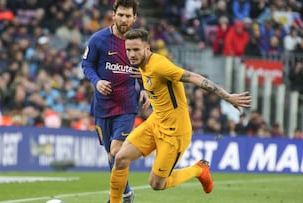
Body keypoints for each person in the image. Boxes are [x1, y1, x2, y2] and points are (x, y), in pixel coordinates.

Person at [109, 29, 252, 203]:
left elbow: (193, 77)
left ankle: (199, 170)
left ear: (147, 48)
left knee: (157, 184)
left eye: (136, 50)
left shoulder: (160, 65)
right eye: (128, 50)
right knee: (121, 158)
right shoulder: (142, 65)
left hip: (174, 132)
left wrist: (227, 96)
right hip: (156, 121)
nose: (131, 54)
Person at [81, 1, 149, 202]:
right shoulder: (98, 40)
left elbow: (147, 68)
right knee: (112, 156)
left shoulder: (137, 42)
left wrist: (145, 89)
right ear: (113, 15)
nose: (124, 20)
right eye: (121, 15)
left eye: (128, 16)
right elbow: (86, 64)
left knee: (117, 151)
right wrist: (97, 81)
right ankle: (126, 193)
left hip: (127, 106)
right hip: (102, 106)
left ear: (134, 18)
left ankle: (115, 198)